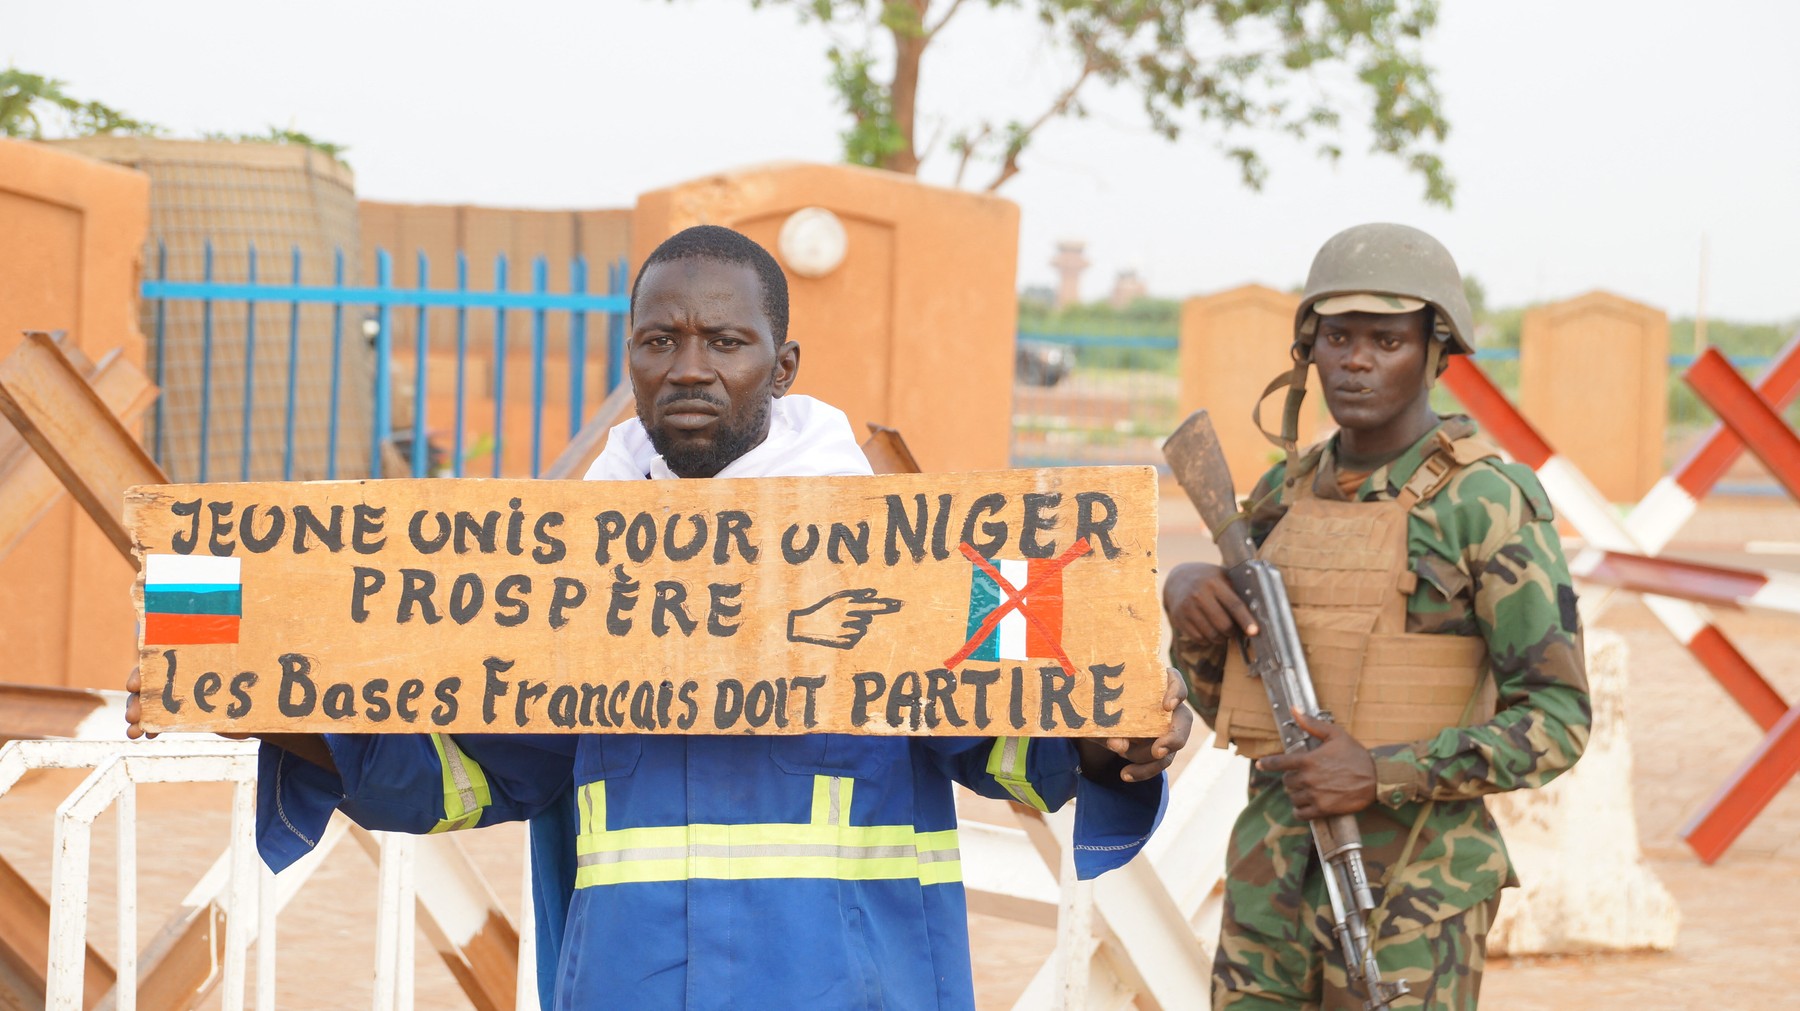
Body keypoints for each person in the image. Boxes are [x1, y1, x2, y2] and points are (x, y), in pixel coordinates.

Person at [130, 224, 1193, 1010]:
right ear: (629, 360)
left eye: (725, 341)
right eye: (658, 341)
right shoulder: (562, 570)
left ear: (781, 368)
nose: (688, 368)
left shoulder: (905, 550)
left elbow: (1025, 743)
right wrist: (271, 705)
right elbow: (467, 769)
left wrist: (1115, 742)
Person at [1161, 223, 1590, 1010]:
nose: (1356, 361)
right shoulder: (1280, 498)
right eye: (1337, 338)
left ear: (1434, 351)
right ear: (1309, 350)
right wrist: (1190, 611)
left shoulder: (1485, 502)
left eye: (1386, 340)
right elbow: (1234, 702)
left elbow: (1558, 719)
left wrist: (1382, 771)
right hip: (1271, 886)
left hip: (1412, 899)